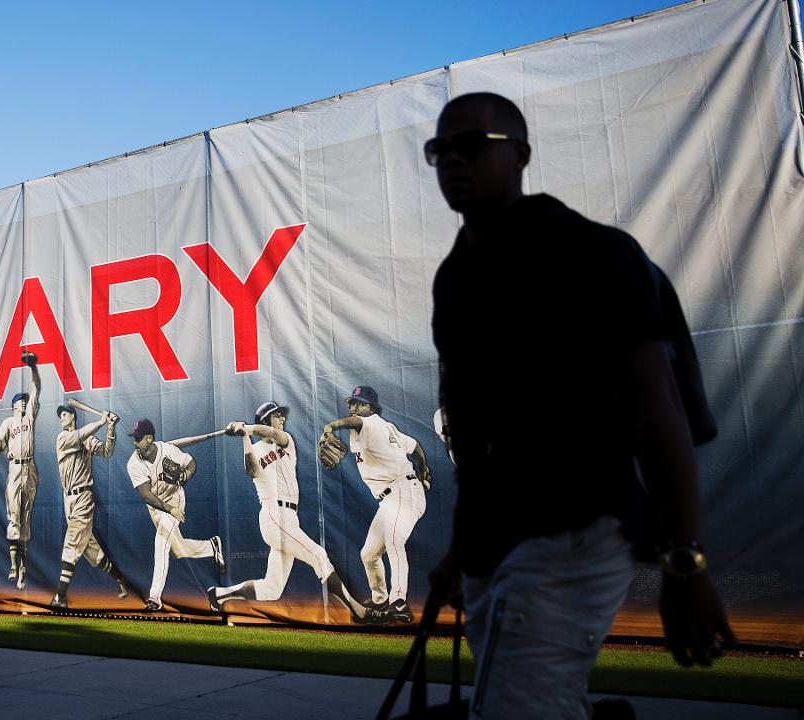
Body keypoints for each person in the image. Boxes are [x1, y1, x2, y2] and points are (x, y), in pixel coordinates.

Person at [425, 92, 735, 718]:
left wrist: (684, 561)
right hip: (496, 540)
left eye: (470, 145)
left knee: (523, 708)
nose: (453, 160)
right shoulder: (456, 275)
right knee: (511, 705)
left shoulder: (589, 252)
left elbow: (658, 408)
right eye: (440, 150)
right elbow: (476, 431)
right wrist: (463, 546)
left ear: (519, 155)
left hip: (576, 528)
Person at [207, 402, 379, 625]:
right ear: (267, 419)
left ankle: (218, 594)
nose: (282, 420)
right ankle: (358, 611)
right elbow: (252, 470)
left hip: (289, 518)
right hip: (273, 515)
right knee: (319, 556)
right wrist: (245, 437)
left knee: (272, 589)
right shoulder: (256, 449)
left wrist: (248, 428)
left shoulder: (285, 440)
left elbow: (273, 434)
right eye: (277, 416)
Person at [320, 385, 429, 624]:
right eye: (351, 403)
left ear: (371, 407)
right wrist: (424, 472)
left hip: (402, 490)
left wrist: (330, 426)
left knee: (393, 540)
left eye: (359, 403)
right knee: (369, 554)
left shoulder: (370, 423)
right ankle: (380, 600)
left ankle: (398, 602)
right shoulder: (388, 428)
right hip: (394, 496)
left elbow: (355, 423)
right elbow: (416, 448)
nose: (354, 408)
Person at [126, 418, 225, 612]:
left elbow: (191, 463)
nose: (135, 442)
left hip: (174, 500)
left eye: (139, 439)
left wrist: (186, 475)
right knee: (178, 551)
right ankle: (211, 546)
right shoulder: (134, 463)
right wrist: (168, 510)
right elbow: (146, 495)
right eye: (134, 439)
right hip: (157, 506)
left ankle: (154, 597)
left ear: (149, 438)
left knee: (161, 542)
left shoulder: (168, 450)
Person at [49, 404, 130, 609]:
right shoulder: (63, 438)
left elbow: (106, 451)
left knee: (72, 541)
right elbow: (80, 436)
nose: (62, 418)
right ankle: (121, 580)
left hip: (84, 495)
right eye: (60, 415)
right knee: (89, 547)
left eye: (65, 414)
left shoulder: (86, 437)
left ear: (73, 416)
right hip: (69, 499)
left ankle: (60, 597)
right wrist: (102, 421)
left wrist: (110, 427)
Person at [0, 352, 42, 589]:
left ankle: (23, 567)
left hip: (29, 467)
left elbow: (36, 388)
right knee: (13, 518)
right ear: (13, 405)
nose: (23, 402)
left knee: (25, 518)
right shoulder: (8, 423)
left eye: (24, 400)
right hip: (14, 469)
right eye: (19, 401)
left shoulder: (29, 418)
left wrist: (33, 367)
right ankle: (13, 565)